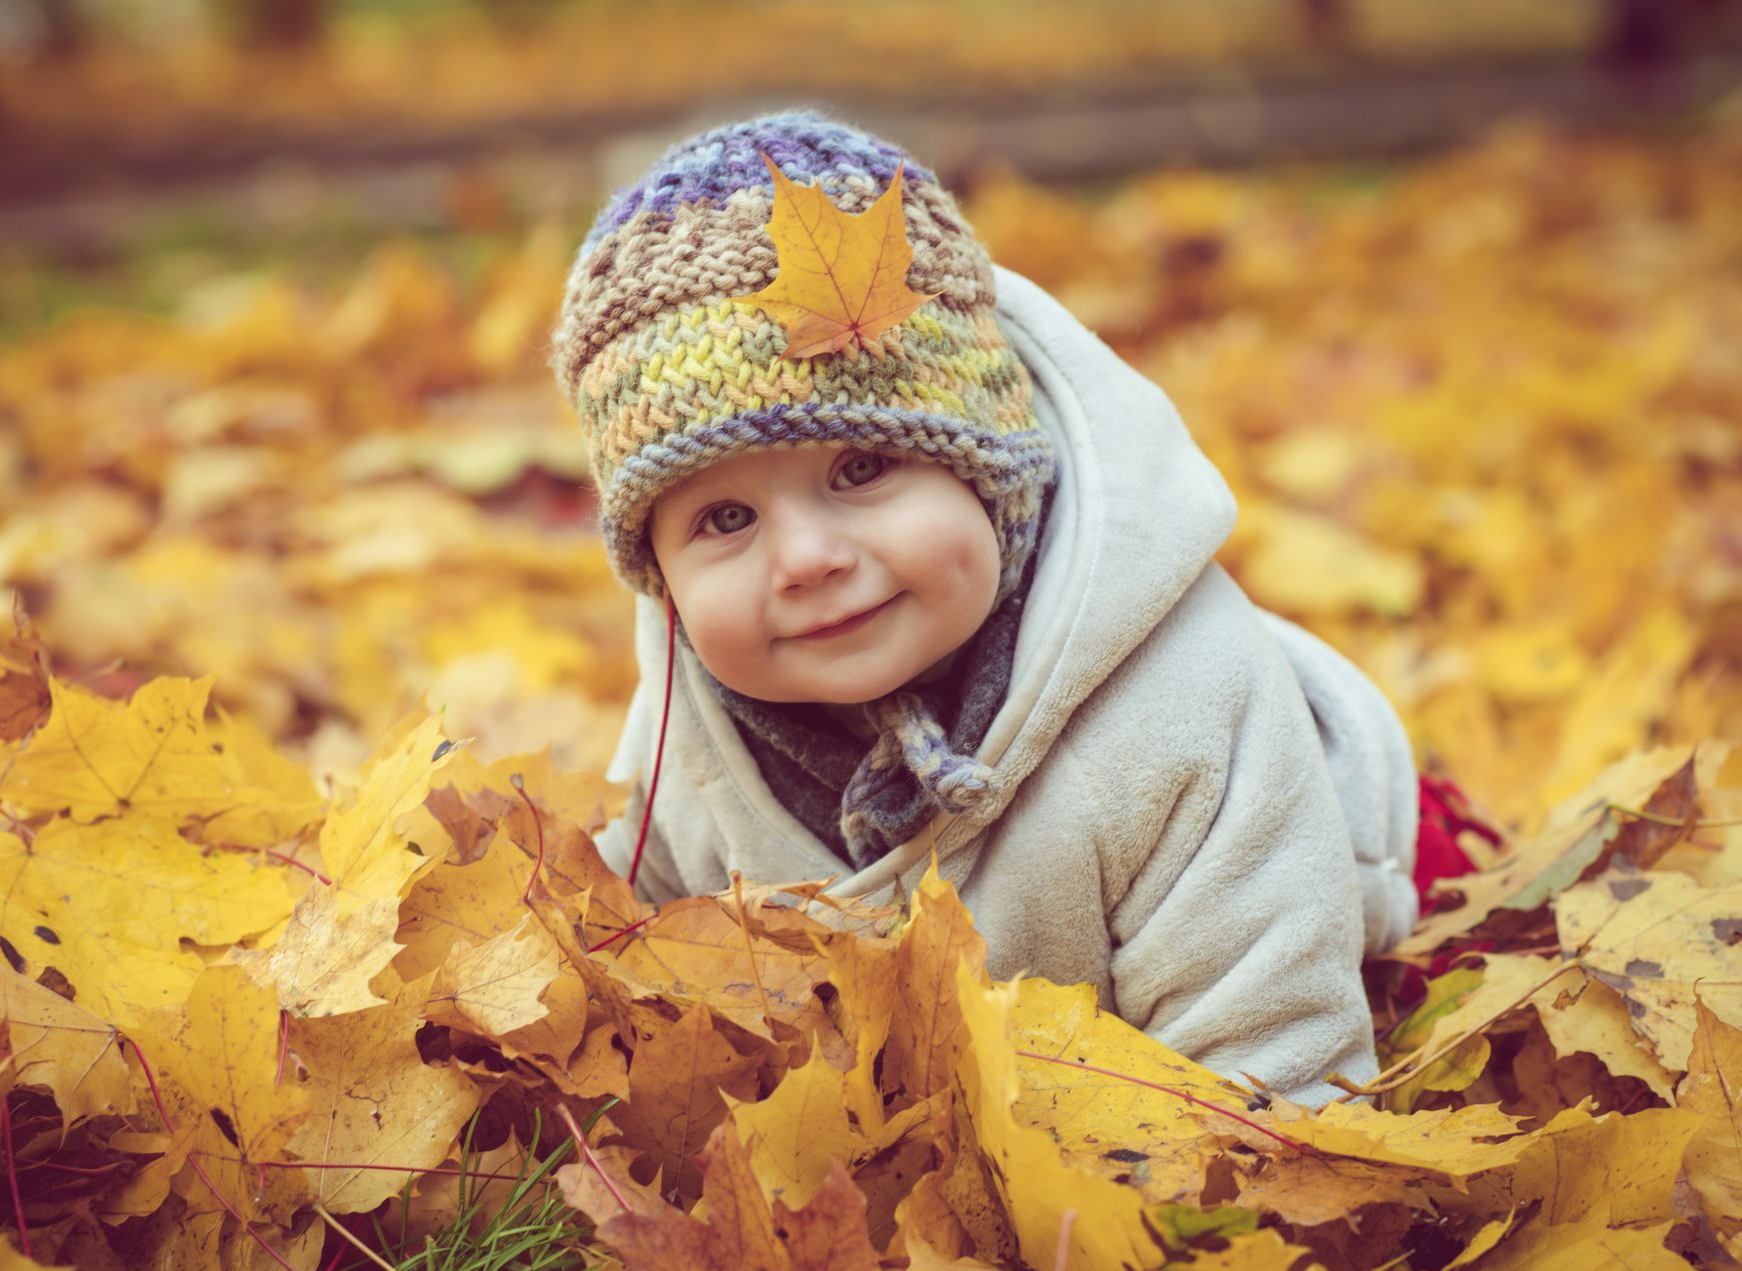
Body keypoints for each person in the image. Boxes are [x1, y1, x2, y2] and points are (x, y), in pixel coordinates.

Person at [547, 109, 1419, 1105]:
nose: (805, 559)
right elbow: (633, 959)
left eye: (861, 466)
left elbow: (1274, 1059)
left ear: (991, 471)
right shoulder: (682, 743)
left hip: (1293, 886)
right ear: (656, 576)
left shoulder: (1182, 710)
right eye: (726, 517)